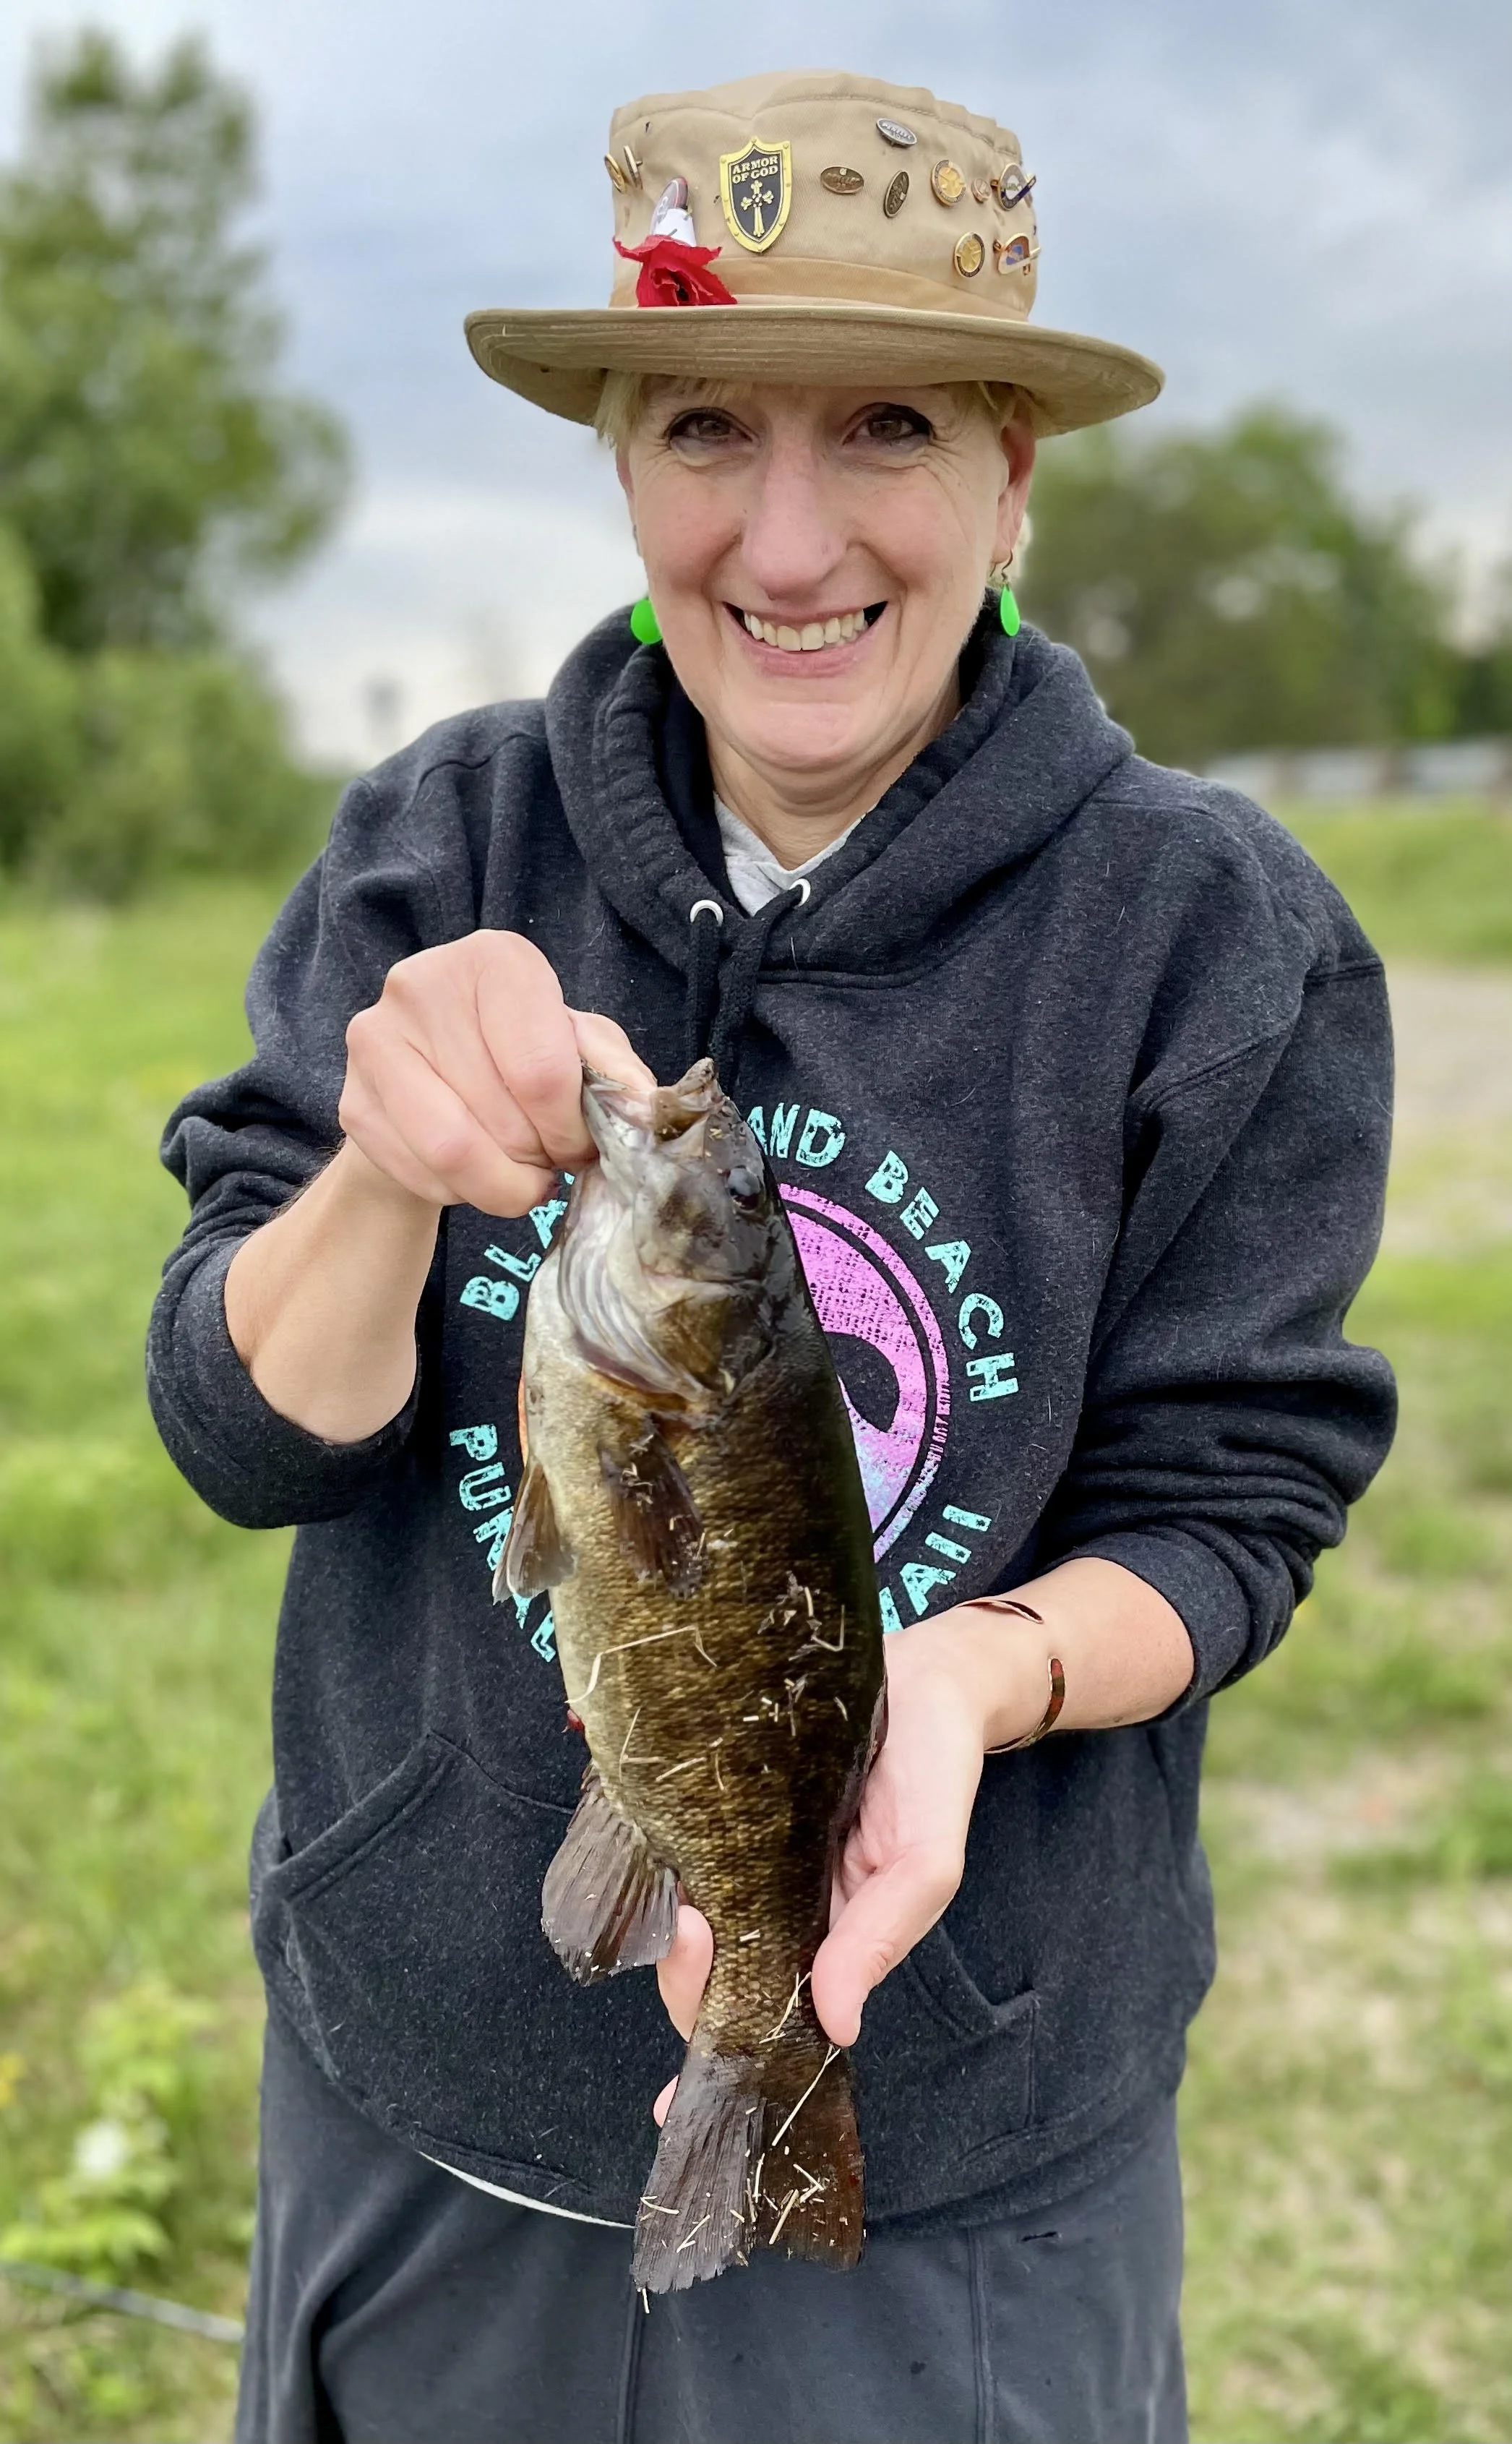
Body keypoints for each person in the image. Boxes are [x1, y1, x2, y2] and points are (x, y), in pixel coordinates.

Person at [147, 69, 1395, 2444]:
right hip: (425, 2094)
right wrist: (381, 1174)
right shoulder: (441, 838)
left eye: (892, 427)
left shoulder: (1213, 938)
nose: (790, 535)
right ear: (618, 459)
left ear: (1014, 470)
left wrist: (964, 1685)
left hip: (963, 2153)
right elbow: (240, 1436)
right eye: (707, 422)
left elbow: (1234, 1511)